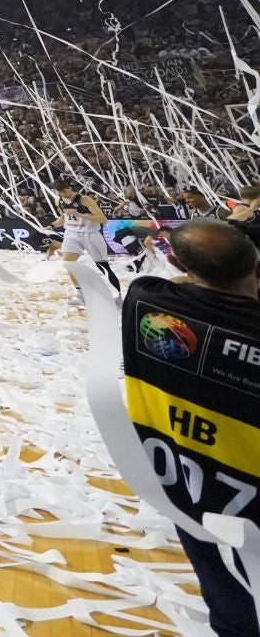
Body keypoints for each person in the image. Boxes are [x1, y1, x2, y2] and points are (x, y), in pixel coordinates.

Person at [120, 220, 260, 637]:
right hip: (243, 488)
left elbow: (179, 278)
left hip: (189, 486)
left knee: (226, 592)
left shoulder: (144, 298)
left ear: (177, 261)